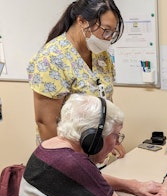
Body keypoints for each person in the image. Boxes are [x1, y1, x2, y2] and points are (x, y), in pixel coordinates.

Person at [19, 94, 167, 196]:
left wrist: (134, 185)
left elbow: (90, 179)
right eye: (116, 135)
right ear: (94, 138)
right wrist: (166, 195)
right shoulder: (74, 164)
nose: (117, 143)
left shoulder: (50, 149)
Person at [27, 0, 126, 158]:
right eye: (106, 31)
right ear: (82, 21)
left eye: (112, 33)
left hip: (97, 150)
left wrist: (113, 140)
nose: (108, 38)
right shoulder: (52, 58)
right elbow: (46, 122)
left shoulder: (101, 56)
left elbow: (106, 100)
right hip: (67, 156)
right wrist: (66, 163)